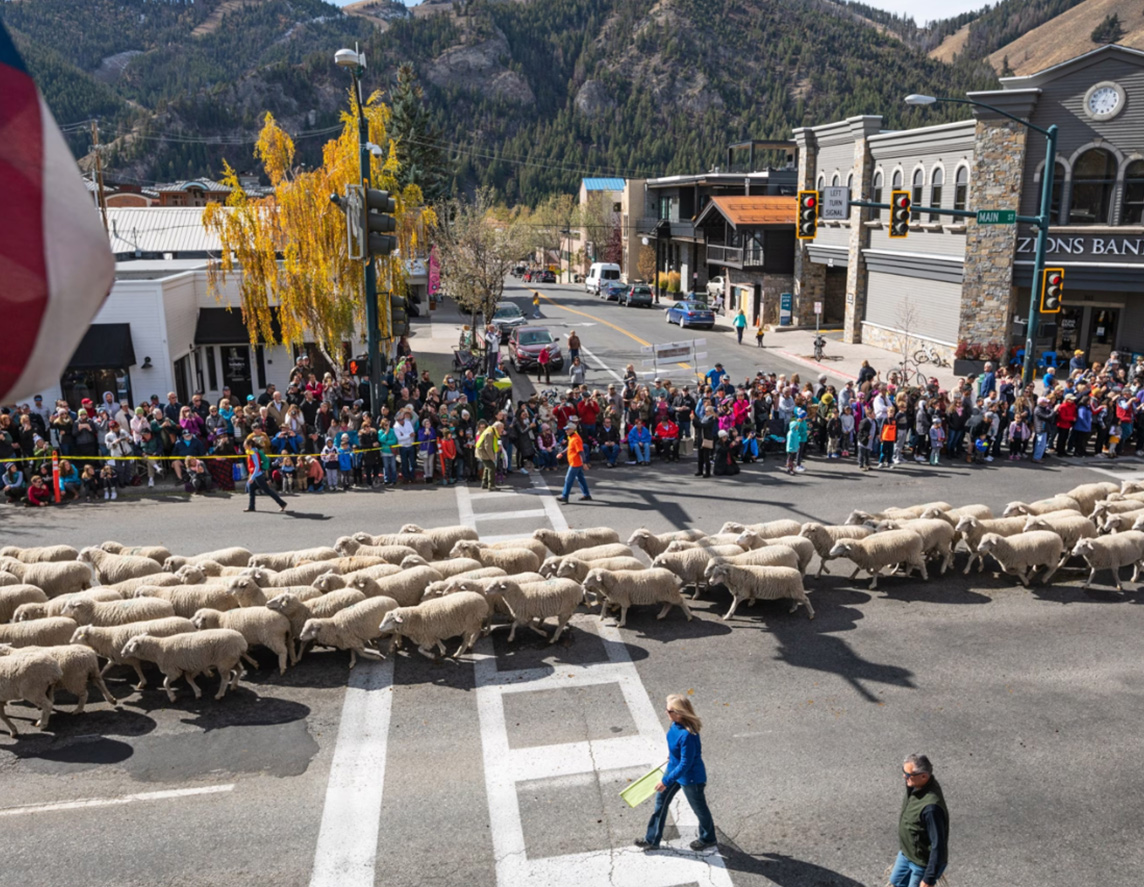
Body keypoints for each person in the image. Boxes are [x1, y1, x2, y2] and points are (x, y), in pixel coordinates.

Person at [635, 694, 717, 852]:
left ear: (679, 713)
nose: (666, 712)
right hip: (674, 769)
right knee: (661, 803)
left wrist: (666, 781)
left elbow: (686, 764)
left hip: (691, 778)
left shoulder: (688, 735)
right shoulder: (675, 725)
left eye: (669, 710)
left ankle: (708, 838)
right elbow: (678, 751)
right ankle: (651, 840)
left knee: (699, 809)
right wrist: (672, 756)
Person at [889, 754, 949, 887]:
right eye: (903, 771)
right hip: (906, 854)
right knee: (896, 882)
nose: (904, 776)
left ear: (923, 776)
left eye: (908, 774)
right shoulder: (916, 784)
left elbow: (938, 845)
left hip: (921, 863)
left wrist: (928, 879)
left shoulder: (931, 809)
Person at [244, 441, 288, 513]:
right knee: (251, 488)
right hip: (256, 475)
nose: (244, 447)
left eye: (245, 445)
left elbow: (257, 466)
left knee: (267, 490)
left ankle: (282, 503)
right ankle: (251, 507)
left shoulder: (253, 453)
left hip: (257, 475)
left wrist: (252, 477)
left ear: (249, 445)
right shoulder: (251, 452)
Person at [557, 423, 591, 503]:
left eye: (567, 429)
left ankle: (565, 496)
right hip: (575, 462)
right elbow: (570, 447)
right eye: (565, 429)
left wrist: (584, 463)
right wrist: (562, 453)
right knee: (581, 479)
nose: (566, 431)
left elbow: (581, 452)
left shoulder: (576, 439)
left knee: (568, 479)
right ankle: (586, 495)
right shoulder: (572, 437)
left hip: (575, 463)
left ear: (573, 429)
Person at [476, 420, 502, 491]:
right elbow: (487, 447)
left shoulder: (492, 430)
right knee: (491, 467)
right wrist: (492, 458)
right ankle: (491, 486)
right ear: (497, 427)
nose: (502, 430)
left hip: (483, 451)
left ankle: (484, 483)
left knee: (487, 467)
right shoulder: (490, 433)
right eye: (501, 428)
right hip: (483, 452)